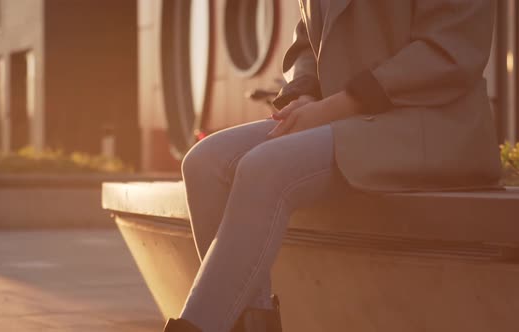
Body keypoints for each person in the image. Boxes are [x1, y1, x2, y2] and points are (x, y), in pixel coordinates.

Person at [163, 0, 501, 331]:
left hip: (429, 123)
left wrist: (339, 105)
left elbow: (450, 51)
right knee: (205, 163)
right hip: (343, 116)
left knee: (265, 169)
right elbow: (307, 43)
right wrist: (306, 93)